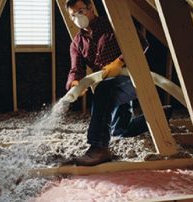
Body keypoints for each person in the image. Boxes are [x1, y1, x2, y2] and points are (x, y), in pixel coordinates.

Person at [64, 0, 171, 166]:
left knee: (103, 89)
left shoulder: (112, 25)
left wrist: (119, 62)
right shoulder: (77, 43)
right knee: (120, 130)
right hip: (109, 86)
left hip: (132, 79)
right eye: (73, 15)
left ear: (91, 8)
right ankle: (162, 113)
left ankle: (99, 148)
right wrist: (74, 83)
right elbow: (75, 69)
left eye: (80, 11)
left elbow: (142, 43)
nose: (77, 17)